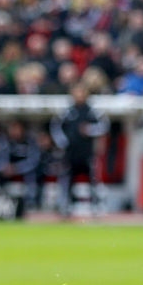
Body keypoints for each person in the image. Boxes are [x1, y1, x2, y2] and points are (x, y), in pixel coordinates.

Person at [49, 82, 110, 217]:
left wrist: (90, 130)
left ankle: (96, 206)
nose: (79, 95)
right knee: (67, 179)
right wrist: (63, 142)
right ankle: (66, 206)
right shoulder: (67, 111)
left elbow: (104, 126)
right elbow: (55, 127)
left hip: (87, 152)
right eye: (77, 92)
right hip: (71, 152)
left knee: (93, 180)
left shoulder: (92, 111)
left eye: (82, 92)